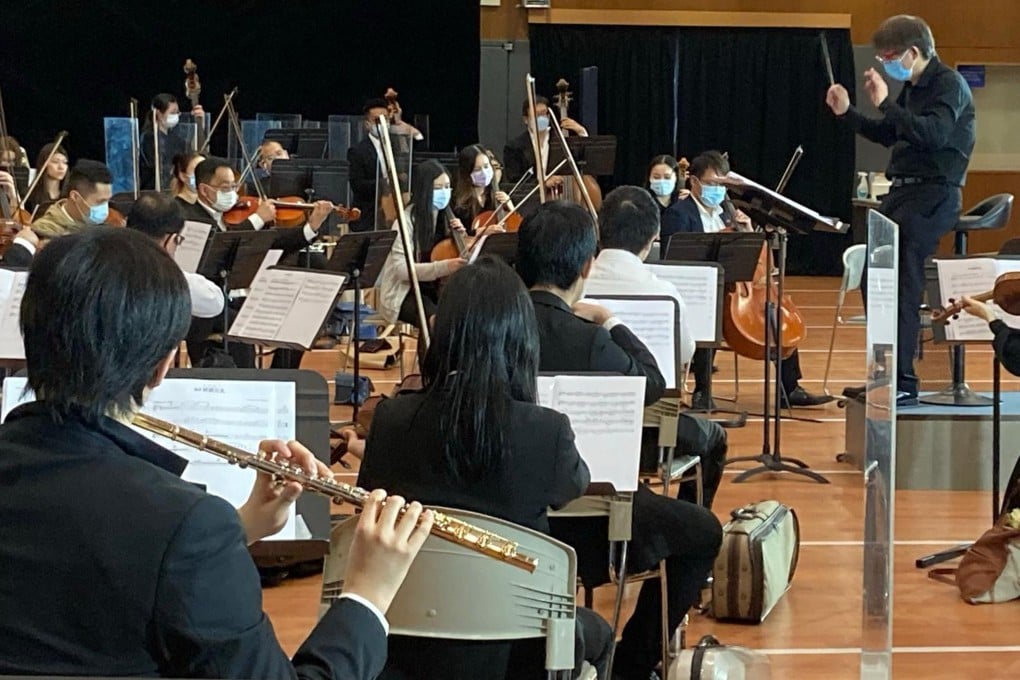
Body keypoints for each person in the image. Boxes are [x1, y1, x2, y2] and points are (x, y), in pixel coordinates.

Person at [0, 226, 433, 678]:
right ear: (162, 365)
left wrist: (242, 525)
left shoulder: (182, 530)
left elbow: (88, 571)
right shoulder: (184, 524)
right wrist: (366, 594)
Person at [358, 257, 613, 680]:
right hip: (514, 655)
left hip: (401, 646)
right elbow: (572, 486)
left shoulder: (391, 420)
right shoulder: (545, 430)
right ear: (521, 338)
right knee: (598, 633)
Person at [515, 200, 722, 680]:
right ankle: (632, 664)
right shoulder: (589, 337)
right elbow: (651, 380)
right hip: (597, 528)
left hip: (518, 519)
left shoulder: (498, 327)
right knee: (703, 532)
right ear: (586, 266)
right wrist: (610, 320)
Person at [826, 14, 975, 406]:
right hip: (902, 194)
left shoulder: (949, 85)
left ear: (913, 52)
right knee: (873, 280)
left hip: (934, 196)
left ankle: (905, 382)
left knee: (904, 284)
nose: (886, 65)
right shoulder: (911, 88)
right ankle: (883, 375)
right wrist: (847, 112)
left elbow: (933, 135)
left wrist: (886, 103)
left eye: (889, 57)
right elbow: (889, 133)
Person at [666, 152, 832, 409]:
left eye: (722, 186)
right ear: (694, 182)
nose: (718, 191)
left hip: (737, 286)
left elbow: (758, 262)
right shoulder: (679, 214)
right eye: (711, 184)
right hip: (700, 290)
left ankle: (790, 387)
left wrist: (748, 233)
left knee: (775, 313)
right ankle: (702, 389)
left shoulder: (729, 212)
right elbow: (675, 258)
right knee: (708, 313)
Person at [178, 157, 332, 368]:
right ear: (204, 190)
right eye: (225, 187)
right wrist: (257, 219)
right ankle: (247, 378)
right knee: (243, 321)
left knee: (296, 316)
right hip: (207, 306)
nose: (232, 193)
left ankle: (281, 377)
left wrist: (311, 226)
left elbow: (273, 242)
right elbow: (220, 246)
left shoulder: (231, 216)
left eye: (234, 186)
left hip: (239, 297)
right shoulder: (190, 218)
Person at [376, 159, 467, 326]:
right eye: (438, 188)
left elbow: (463, 257)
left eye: (447, 187)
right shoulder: (405, 222)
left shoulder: (446, 218)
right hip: (406, 292)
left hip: (438, 289)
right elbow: (402, 270)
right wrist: (446, 266)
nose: (444, 192)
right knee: (437, 320)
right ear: (424, 191)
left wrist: (462, 238)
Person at [127, 192, 224, 319]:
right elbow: (215, 302)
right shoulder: (166, 277)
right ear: (171, 239)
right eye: (178, 240)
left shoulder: (105, 259)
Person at [503, 96, 588, 185]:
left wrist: (581, 132)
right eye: (536, 115)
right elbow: (515, 181)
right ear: (526, 119)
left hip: (560, 194)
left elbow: (581, 160)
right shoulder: (514, 147)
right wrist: (542, 183)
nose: (541, 118)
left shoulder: (561, 141)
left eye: (544, 113)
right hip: (533, 198)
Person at [30, 159, 113, 239]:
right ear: (75, 197)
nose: (105, 209)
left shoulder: (101, 227)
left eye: (107, 201)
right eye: (100, 202)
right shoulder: (44, 231)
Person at [140, 93, 198, 191]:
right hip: (154, 189)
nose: (177, 115)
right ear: (158, 113)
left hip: (176, 187)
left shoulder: (177, 138)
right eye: (173, 112)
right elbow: (153, 164)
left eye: (178, 112)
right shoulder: (148, 137)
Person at [451, 144, 512, 229]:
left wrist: (510, 206)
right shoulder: (457, 202)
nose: (484, 173)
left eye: (486, 166)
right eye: (477, 169)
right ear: (467, 173)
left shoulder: (496, 195)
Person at [24, 142, 69, 212]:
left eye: (64, 162)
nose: (61, 167)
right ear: (43, 165)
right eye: (55, 162)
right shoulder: (31, 196)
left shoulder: (68, 197)